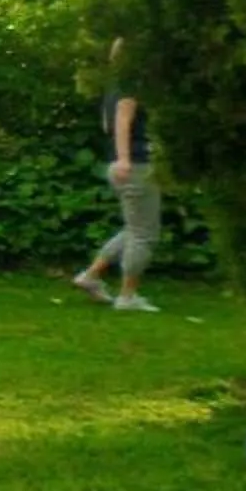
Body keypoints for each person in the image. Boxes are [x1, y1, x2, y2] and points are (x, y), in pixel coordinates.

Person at [73, 41, 160, 312]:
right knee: (144, 235)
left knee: (135, 229)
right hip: (134, 165)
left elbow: (106, 125)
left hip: (121, 164)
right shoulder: (130, 88)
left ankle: (91, 276)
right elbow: (122, 122)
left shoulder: (112, 89)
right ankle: (127, 295)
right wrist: (125, 158)